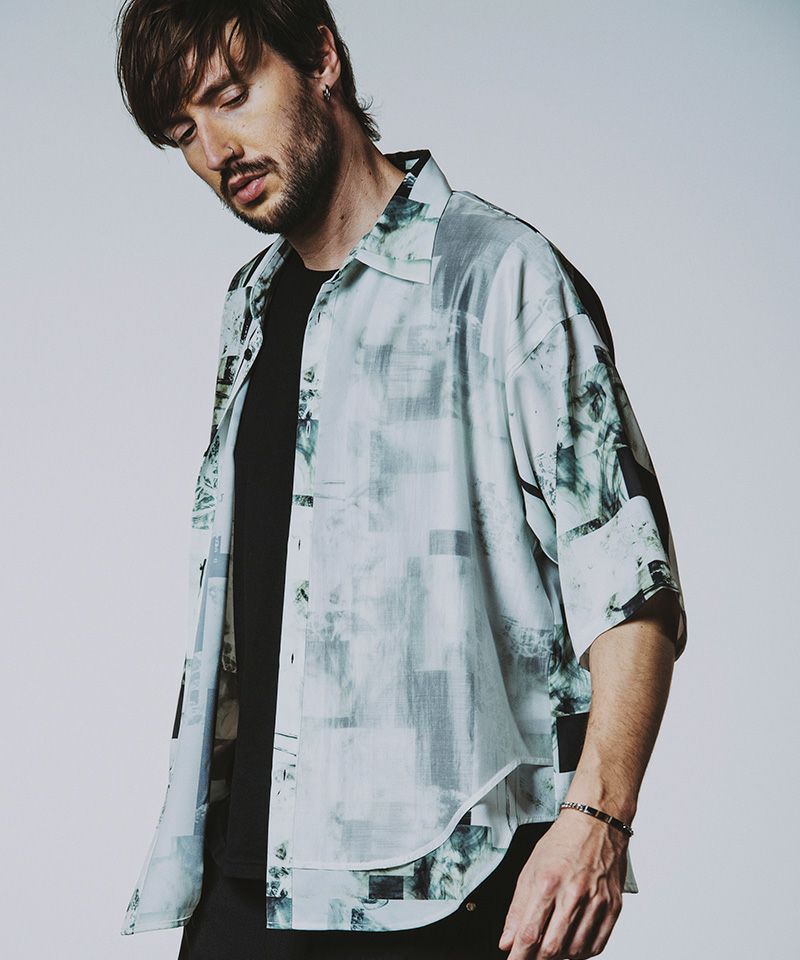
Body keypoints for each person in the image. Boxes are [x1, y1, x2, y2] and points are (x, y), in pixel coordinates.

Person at [115, 2, 688, 958]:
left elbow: (628, 582)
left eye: (231, 96)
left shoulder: (499, 278)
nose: (215, 151)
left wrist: (599, 819)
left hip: (447, 887)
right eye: (184, 133)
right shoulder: (248, 307)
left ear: (321, 59)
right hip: (250, 881)